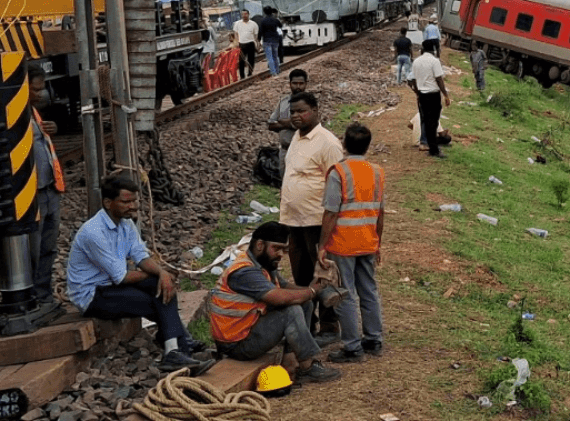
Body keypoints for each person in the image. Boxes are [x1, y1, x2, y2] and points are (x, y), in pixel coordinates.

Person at [66, 174, 211, 374]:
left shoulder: (125, 224)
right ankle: (179, 345)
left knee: (162, 286)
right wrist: (161, 278)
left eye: (134, 201)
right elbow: (122, 276)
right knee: (155, 298)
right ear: (108, 203)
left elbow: (141, 257)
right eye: (126, 202)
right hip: (92, 295)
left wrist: (162, 273)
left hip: (112, 285)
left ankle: (176, 349)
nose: (133, 206)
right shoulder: (93, 233)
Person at [208, 221, 341, 383]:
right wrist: (311, 291)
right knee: (291, 311)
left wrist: (311, 289)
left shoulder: (262, 262)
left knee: (304, 303)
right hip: (235, 345)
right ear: (259, 245)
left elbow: (284, 286)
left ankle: (290, 359)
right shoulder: (244, 272)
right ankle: (307, 365)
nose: (280, 254)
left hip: (248, 329)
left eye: (284, 250)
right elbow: (278, 298)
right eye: (276, 248)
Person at [317, 124, 385, 362]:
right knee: (369, 290)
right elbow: (380, 211)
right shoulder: (377, 171)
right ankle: (374, 339)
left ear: (344, 144)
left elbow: (330, 212)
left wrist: (322, 245)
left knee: (345, 293)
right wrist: (378, 243)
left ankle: (352, 346)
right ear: (368, 145)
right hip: (368, 240)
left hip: (343, 244)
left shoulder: (339, 172)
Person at [279, 91, 344, 341]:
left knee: (323, 272)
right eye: (292, 112)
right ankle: (309, 322)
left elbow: (336, 184)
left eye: (301, 111)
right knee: (302, 275)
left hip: (316, 221)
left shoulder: (327, 142)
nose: (296, 116)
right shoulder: (297, 137)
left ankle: (329, 326)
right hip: (294, 220)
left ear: (316, 111)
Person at [29, 70, 65, 308]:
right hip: (32, 196)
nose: (40, 94)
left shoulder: (33, 112)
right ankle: (30, 297)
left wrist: (53, 129)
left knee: (48, 248)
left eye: (42, 88)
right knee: (32, 250)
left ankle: (43, 296)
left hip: (50, 190)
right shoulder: (11, 116)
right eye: (35, 88)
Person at [409, 39, 451, 158]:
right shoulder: (434, 61)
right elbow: (439, 79)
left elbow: (414, 80)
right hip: (433, 95)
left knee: (427, 121)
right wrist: (446, 95)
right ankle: (434, 150)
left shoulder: (416, 61)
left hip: (422, 95)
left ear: (422, 49)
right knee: (433, 121)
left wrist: (418, 93)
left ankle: (428, 144)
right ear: (433, 49)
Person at [268, 69, 309, 174]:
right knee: (285, 183)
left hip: (304, 151)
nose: (298, 87)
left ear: (306, 84)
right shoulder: (284, 102)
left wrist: (285, 123)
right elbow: (271, 125)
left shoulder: (311, 104)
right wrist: (290, 124)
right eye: (295, 83)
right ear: (290, 84)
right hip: (285, 151)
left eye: (301, 83)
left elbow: (309, 125)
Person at [258, 7, 285, 76]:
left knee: (270, 57)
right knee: (275, 56)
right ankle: (277, 70)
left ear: (264, 12)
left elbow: (260, 31)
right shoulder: (275, 20)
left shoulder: (263, 21)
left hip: (266, 40)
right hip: (275, 40)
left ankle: (273, 72)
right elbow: (280, 25)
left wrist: (258, 40)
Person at [233, 10, 259, 79]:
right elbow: (235, 33)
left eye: (245, 14)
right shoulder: (237, 23)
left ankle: (250, 73)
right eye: (242, 14)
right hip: (241, 44)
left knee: (251, 59)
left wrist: (255, 42)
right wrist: (237, 41)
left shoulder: (253, 24)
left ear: (248, 14)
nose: (244, 15)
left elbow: (256, 35)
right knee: (241, 61)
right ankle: (242, 75)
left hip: (250, 43)